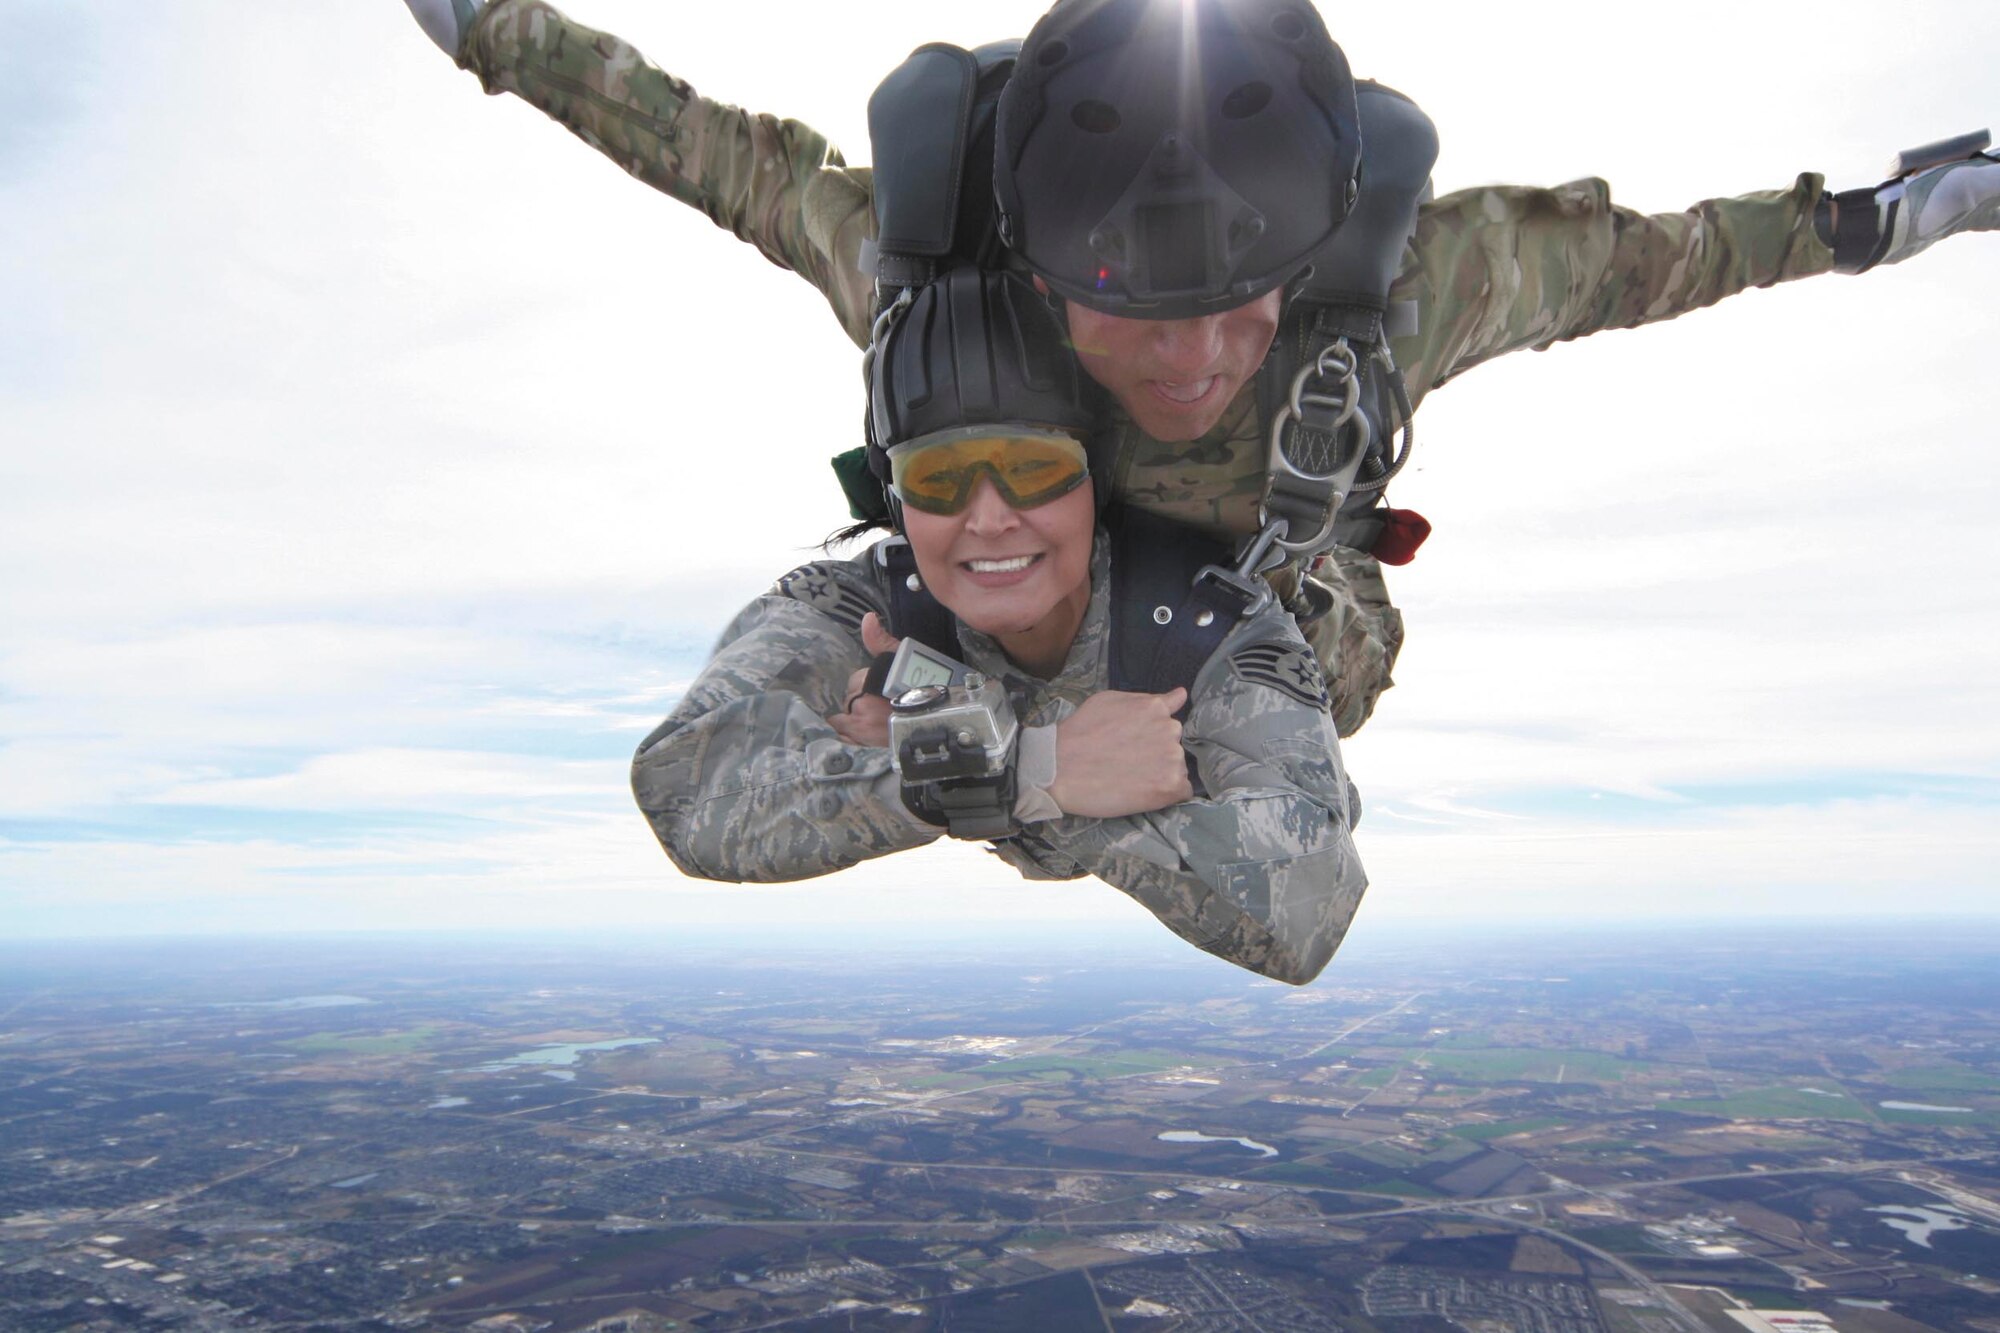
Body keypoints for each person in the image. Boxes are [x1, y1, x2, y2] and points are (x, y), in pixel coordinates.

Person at [399, 0, 1998, 738]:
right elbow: (704, 148)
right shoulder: (935, 281)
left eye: (1248, 301)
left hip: (1269, 585)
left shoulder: (1415, 288)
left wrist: (1892, 213)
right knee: (972, 606)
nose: (1201, 357)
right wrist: (489, 28)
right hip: (1028, 568)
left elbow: (1670, 256)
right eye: (1137, 312)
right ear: (1033, 275)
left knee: (1302, 680)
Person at [631, 269, 1365, 985]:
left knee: (1345, 649)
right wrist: (1025, 769)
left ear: (1093, 479)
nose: (987, 518)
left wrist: (939, 753)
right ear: (897, 501)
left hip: (1334, 646)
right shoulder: (858, 605)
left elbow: (1309, 907)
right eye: (938, 479)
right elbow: (685, 786)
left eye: (1034, 467)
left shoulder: (1212, 623)